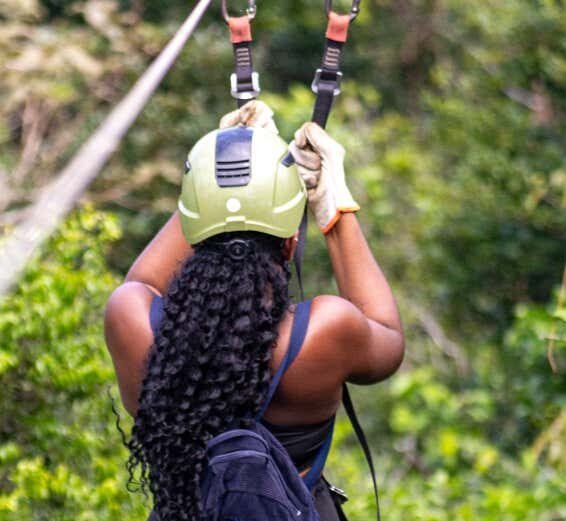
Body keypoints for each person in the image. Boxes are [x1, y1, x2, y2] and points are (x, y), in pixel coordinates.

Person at [104, 101, 404, 521]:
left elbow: (144, 281)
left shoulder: (131, 321)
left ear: (193, 228)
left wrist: (215, 184)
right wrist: (333, 209)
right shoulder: (324, 332)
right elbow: (388, 335)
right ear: (290, 244)